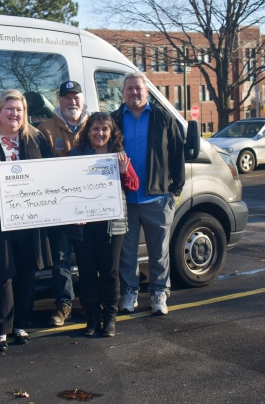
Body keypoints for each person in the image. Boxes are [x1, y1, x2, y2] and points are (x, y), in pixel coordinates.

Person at [0, 89, 54, 351]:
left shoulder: (35, 138)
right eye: (9, 109)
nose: (14, 114)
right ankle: (0, 330)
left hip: (28, 219)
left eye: (19, 110)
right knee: (0, 274)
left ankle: (21, 325)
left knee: (26, 273)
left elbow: (50, 173)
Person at [111, 71, 185, 316]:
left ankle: (159, 294)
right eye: (129, 88)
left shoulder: (163, 117)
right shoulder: (114, 120)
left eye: (138, 88)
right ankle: (130, 293)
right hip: (125, 199)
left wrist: (176, 190)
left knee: (159, 251)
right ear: (123, 93)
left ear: (147, 91)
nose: (134, 92)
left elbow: (177, 153)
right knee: (127, 252)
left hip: (158, 197)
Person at [68, 113, 139, 337]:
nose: (100, 133)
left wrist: (123, 171)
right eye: (95, 129)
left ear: (111, 133)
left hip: (112, 226)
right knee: (87, 273)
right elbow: (66, 188)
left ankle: (109, 318)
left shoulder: (118, 156)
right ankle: (92, 317)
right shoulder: (75, 156)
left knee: (109, 273)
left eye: (104, 129)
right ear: (87, 132)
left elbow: (134, 185)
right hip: (83, 225)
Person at [38, 80, 89, 326]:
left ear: (82, 99)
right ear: (59, 101)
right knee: (61, 261)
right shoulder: (45, 129)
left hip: (89, 207)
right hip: (59, 209)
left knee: (90, 258)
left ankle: (90, 303)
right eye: (66, 98)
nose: (72, 102)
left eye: (75, 97)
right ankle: (64, 306)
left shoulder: (96, 124)